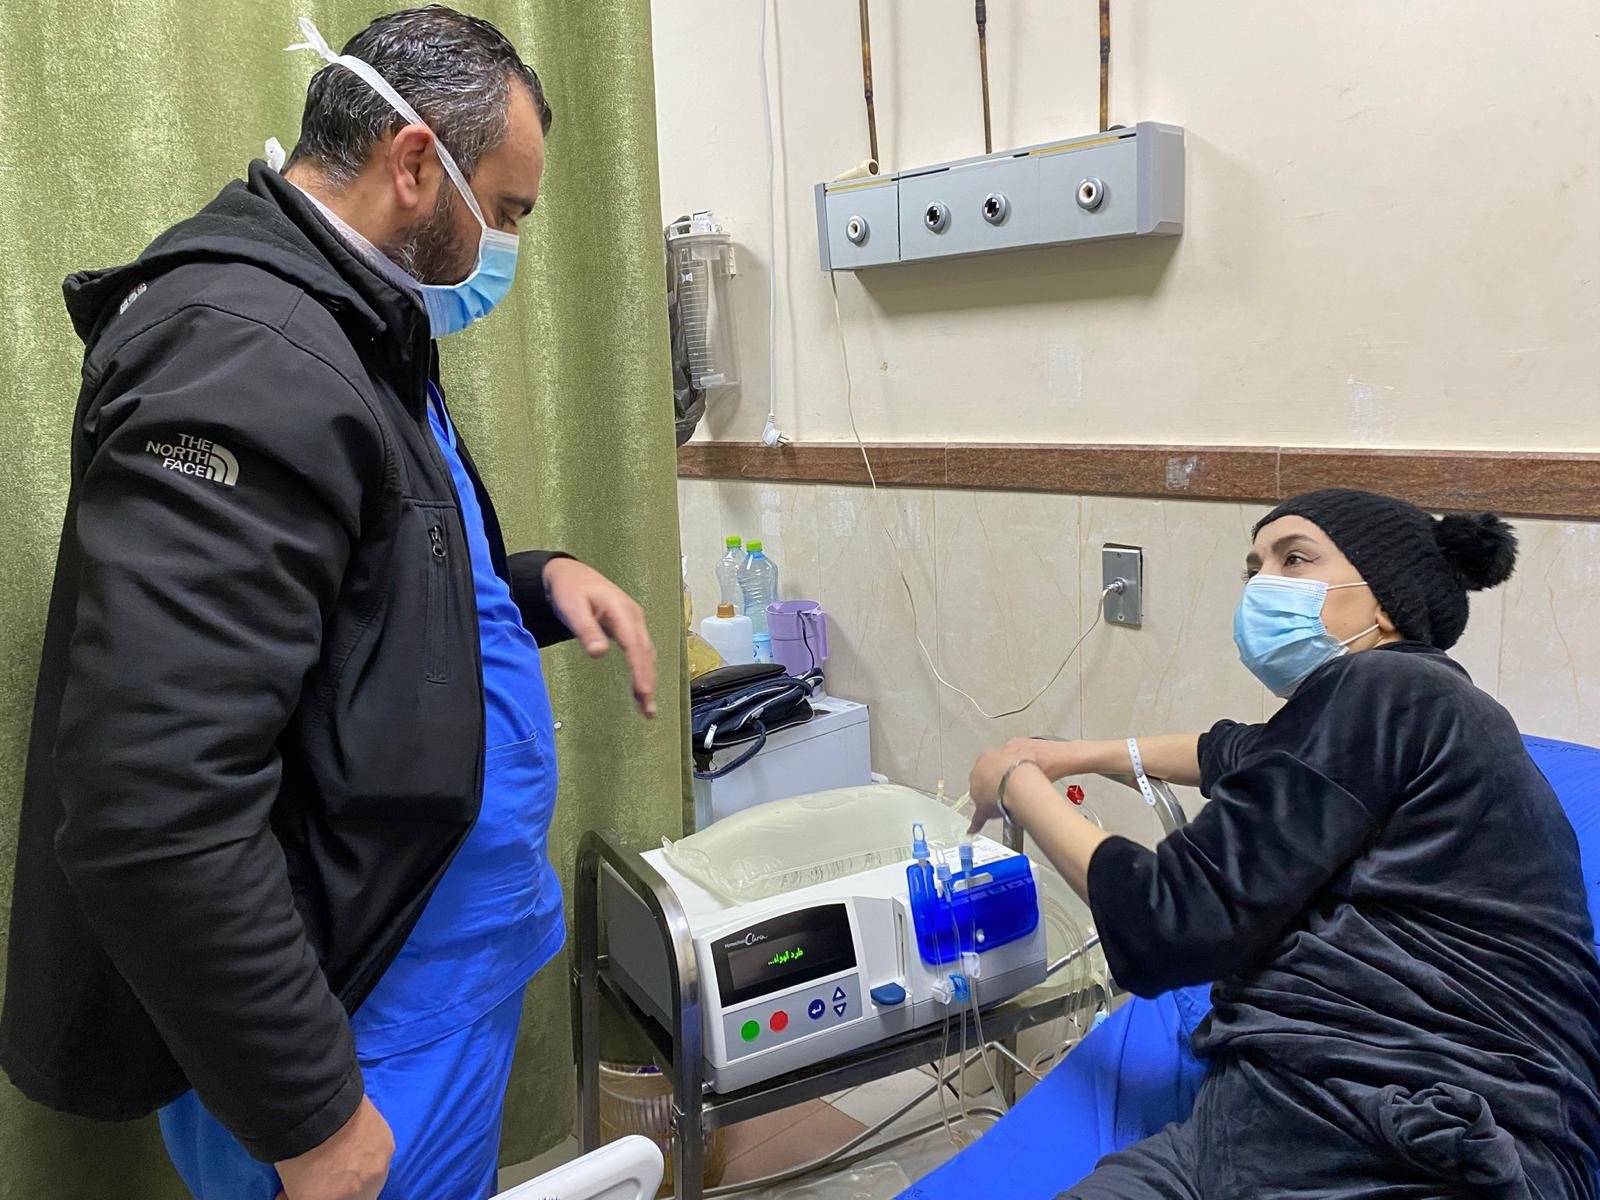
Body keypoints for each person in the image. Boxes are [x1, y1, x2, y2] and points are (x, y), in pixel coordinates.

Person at [0, 9, 658, 1200]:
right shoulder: (246, 354)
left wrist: (534, 585)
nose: (507, 247)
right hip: (357, 1018)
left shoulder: (353, 326)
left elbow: (362, 594)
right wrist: (311, 1116)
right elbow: (154, 798)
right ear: (414, 165)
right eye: (507, 211)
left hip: (429, 972)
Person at [968, 488, 1600, 1199]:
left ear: (1385, 601)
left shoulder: (1388, 687)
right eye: (1254, 568)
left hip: (1422, 1138)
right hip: (1262, 1122)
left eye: (1294, 559)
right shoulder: (1409, 708)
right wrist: (1073, 754)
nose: (1263, 585)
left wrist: (1017, 781)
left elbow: (1169, 919)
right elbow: (1239, 749)